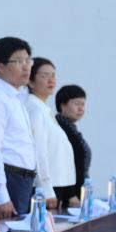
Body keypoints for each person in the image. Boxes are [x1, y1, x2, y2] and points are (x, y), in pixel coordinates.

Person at [0, 37, 38, 218]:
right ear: (0, 67)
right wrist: (1, 197)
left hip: (22, 182)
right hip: (7, 180)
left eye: (28, 60)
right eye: (19, 61)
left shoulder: (16, 98)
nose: (26, 67)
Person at [25, 58, 75, 210]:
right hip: (44, 190)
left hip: (55, 186)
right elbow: (38, 152)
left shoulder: (44, 110)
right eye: (45, 75)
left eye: (53, 75)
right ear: (30, 81)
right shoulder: (34, 109)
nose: (51, 79)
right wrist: (46, 189)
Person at [55, 84, 90, 206]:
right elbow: (61, 162)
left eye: (83, 104)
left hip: (77, 192)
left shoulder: (71, 128)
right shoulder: (59, 128)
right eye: (76, 104)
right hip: (68, 197)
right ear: (63, 105)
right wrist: (70, 195)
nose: (81, 109)